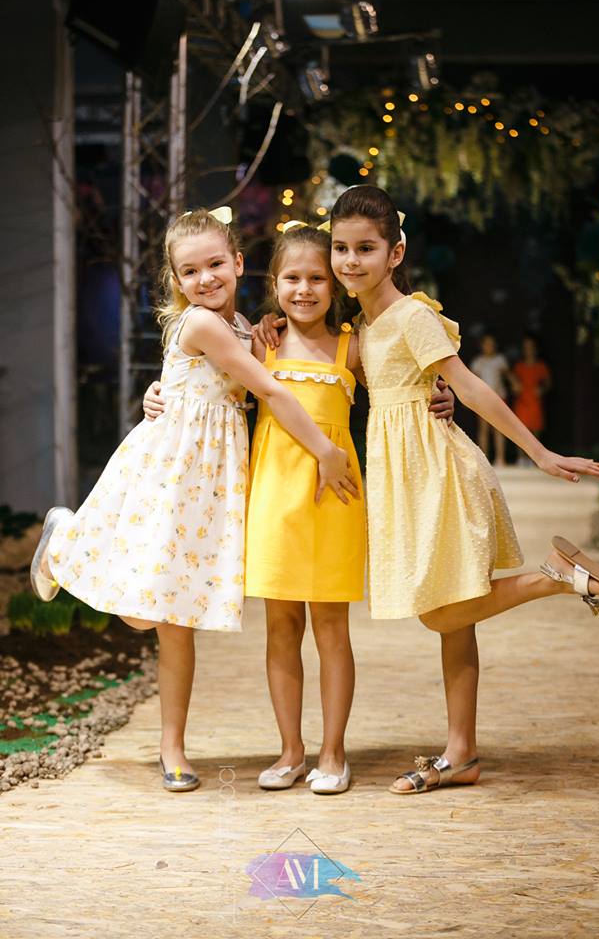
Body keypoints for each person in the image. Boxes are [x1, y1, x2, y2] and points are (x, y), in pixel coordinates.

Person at [258, 185, 599, 797]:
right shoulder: (363, 327)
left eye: (366, 248)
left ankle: (557, 577)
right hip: (404, 474)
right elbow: (341, 376)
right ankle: (461, 753)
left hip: (433, 471)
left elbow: (469, 386)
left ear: (396, 252)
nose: (351, 261)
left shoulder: (412, 315)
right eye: (342, 249)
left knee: (440, 610)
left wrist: (540, 452)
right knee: (455, 621)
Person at [29, 207, 358, 793]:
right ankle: (66, 544)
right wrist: (325, 451)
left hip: (213, 480)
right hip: (175, 468)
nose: (205, 278)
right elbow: (270, 388)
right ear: (176, 280)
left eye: (215, 265)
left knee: (173, 616)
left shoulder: (245, 328)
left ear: (238, 263)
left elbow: (265, 363)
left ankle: (172, 746)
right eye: (190, 271)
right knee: (148, 613)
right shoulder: (204, 325)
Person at [142, 221, 456, 794]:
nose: (304, 289)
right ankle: (290, 751)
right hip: (271, 494)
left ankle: (333, 753)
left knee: (331, 628)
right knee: (281, 627)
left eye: (317, 279)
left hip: (334, 493)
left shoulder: (354, 347)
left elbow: (406, 382)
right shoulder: (257, 341)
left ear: (335, 285)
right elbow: (199, 376)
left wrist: (442, 394)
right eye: (292, 278)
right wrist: (155, 393)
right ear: (273, 283)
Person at [510, 335, 552, 463]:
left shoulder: (541, 366)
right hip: (522, 401)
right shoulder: (519, 366)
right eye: (526, 347)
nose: (529, 350)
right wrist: (515, 386)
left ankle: (534, 458)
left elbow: (548, 383)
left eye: (531, 347)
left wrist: (542, 390)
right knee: (520, 429)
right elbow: (513, 383)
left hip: (535, 400)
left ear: (536, 349)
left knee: (535, 428)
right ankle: (521, 457)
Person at [470, 334, 509, 466]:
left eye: (491, 344)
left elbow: (507, 375)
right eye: (486, 344)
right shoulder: (478, 361)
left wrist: (514, 383)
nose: (489, 346)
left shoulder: (500, 359)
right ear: (482, 346)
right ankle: (484, 458)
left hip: (499, 397)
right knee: (484, 429)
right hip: (483, 399)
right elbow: (472, 381)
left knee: (500, 428)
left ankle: (500, 458)